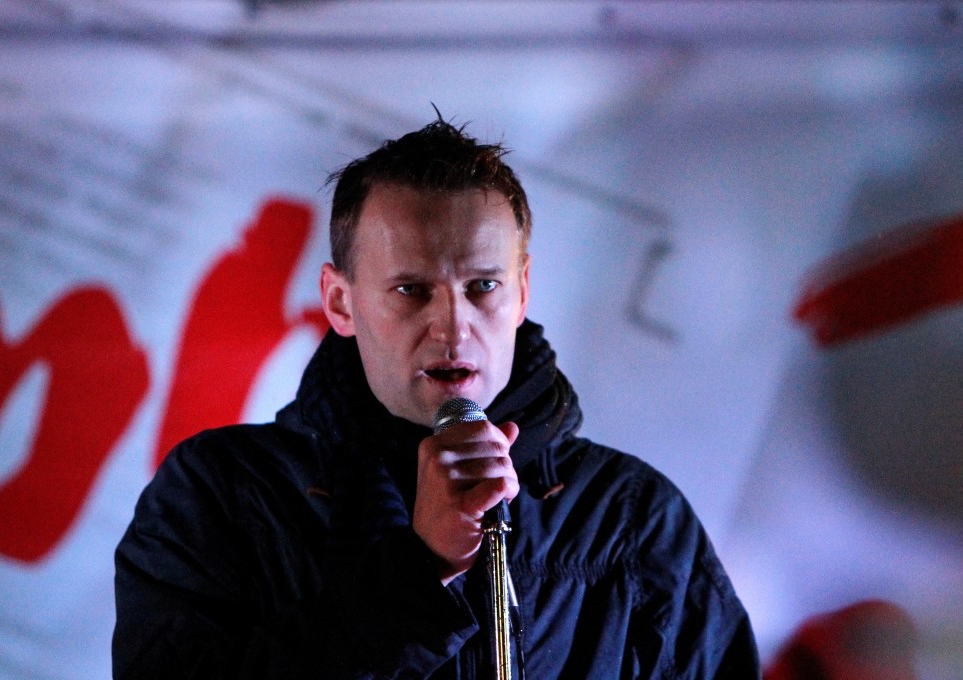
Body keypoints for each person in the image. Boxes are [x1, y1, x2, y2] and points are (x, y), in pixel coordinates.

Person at [113, 117, 760, 678]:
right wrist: (416, 573)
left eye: (482, 286)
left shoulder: (629, 517)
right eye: (411, 290)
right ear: (340, 301)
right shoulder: (223, 494)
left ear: (523, 290)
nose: (453, 327)